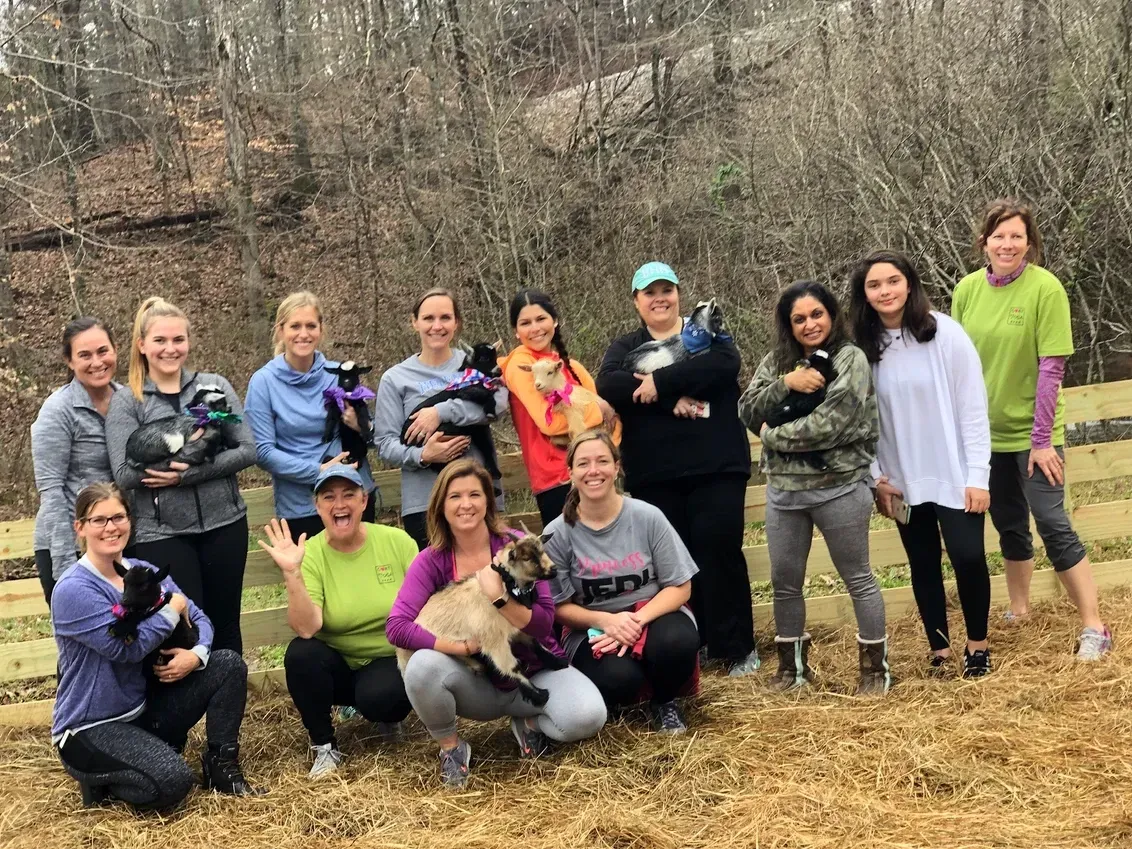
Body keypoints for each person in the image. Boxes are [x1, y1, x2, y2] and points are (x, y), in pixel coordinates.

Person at [952, 198, 1112, 660]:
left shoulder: (1046, 290)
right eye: (999, 235)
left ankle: (1094, 627)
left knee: (1052, 522)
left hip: (1033, 436)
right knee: (1008, 525)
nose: (1007, 244)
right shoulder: (966, 291)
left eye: (1016, 236)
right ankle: (1020, 611)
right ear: (984, 242)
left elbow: (1052, 370)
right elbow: (958, 368)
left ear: (1030, 243)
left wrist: (1041, 442)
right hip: (985, 438)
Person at [387, 459, 606, 789]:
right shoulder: (431, 560)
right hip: (475, 680)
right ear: (440, 506)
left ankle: (528, 722)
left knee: (587, 717)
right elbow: (397, 627)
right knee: (420, 665)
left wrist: (500, 599)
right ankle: (452, 748)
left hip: (532, 672)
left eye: (475, 494)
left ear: (488, 500)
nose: (466, 505)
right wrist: (458, 647)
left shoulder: (518, 547)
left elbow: (545, 624)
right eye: (455, 496)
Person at [51, 482, 260, 810]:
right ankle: (101, 781)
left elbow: (200, 618)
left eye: (118, 517)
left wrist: (196, 655)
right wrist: (170, 610)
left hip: (142, 709)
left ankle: (221, 765)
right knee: (174, 781)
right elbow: (125, 649)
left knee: (229, 664)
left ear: (129, 521)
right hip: (91, 726)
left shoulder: (141, 571)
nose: (111, 527)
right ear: (80, 527)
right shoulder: (73, 590)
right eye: (99, 520)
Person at [596, 262, 757, 677]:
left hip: (717, 465)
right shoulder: (625, 345)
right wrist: (671, 398)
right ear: (636, 301)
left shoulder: (704, 333)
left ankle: (736, 648)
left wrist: (658, 383)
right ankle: (695, 643)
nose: (659, 298)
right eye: (649, 292)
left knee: (718, 551)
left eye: (666, 289)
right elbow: (609, 385)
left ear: (678, 293)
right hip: (657, 473)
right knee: (674, 564)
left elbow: (723, 366)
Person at [738, 280, 892, 694]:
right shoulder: (777, 363)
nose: (809, 324)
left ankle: (875, 673)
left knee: (857, 577)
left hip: (839, 488)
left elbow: (831, 425)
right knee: (785, 582)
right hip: (784, 494)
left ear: (832, 314)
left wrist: (772, 437)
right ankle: (792, 672)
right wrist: (786, 385)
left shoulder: (849, 359)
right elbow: (748, 409)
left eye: (817, 314)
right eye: (799, 319)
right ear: (788, 325)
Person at [849, 251, 993, 678]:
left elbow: (972, 408)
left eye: (892, 281)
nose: (885, 291)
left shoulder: (944, 333)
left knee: (968, 557)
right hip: (901, 481)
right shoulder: (862, 350)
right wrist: (877, 479)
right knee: (923, 563)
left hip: (955, 473)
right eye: (874, 285)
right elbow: (860, 421)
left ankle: (977, 647)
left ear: (909, 284)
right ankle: (941, 651)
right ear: (864, 295)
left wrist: (978, 476)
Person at [105, 297, 256, 654]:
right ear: (142, 345)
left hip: (225, 525)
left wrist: (187, 476)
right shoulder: (129, 401)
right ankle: (185, 709)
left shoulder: (214, 385)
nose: (170, 349)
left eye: (178, 340)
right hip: (164, 534)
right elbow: (124, 472)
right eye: (160, 341)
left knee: (226, 625)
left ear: (188, 342)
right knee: (182, 628)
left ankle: (227, 706)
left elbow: (247, 449)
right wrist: (173, 473)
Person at [256, 464, 418, 779]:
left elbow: (425, 608)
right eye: (328, 497)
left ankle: (387, 716)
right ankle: (324, 746)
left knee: (382, 699)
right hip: (338, 666)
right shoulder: (312, 553)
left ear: (364, 501)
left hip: (389, 657)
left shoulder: (398, 542)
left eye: (348, 495)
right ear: (317, 507)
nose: (339, 504)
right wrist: (292, 572)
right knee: (301, 654)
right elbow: (306, 628)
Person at [545, 430, 700, 734]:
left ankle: (664, 701)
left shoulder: (647, 516)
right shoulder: (558, 533)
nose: (594, 470)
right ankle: (614, 699)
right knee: (619, 678)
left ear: (616, 467)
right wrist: (606, 621)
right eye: (583, 463)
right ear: (570, 473)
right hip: (592, 626)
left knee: (677, 643)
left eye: (602, 461)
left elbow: (681, 586)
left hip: (654, 614)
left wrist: (634, 621)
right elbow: (559, 607)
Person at [375, 288, 508, 550]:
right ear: (415, 323)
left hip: (478, 497)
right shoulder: (395, 378)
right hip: (425, 502)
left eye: (445, 318)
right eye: (428, 319)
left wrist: (440, 413)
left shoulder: (475, 364)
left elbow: (499, 405)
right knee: (437, 588)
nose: (437, 326)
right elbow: (384, 444)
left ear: (456, 322)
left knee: (486, 584)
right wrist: (424, 455)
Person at [245, 291, 379, 542]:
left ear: (321, 329)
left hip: (353, 495)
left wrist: (362, 426)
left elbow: (372, 434)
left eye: (310, 326)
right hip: (302, 506)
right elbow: (262, 452)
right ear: (280, 330)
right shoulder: (263, 382)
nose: (303, 334)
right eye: (295, 326)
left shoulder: (340, 374)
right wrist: (319, 471)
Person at [499, 289, 620, 526]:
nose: (535, 328)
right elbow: (551, 423)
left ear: (555, 321)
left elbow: (610, 423)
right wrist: (598, 408)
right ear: (516, 331)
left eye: (541, 319)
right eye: (525, 323)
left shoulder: (571, 366)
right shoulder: (521, 365)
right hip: (556, 479)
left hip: (594, 473)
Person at [31, 317, 122, 605]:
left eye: (102, 351)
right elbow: (51, 490)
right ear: (69, 361)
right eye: (84, 355)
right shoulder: (58, 410)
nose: (96, 362)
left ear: (115, 351)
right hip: (71, 548)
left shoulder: (128, 400)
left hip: (118, 541)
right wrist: (65, 569)